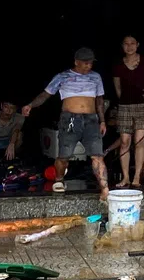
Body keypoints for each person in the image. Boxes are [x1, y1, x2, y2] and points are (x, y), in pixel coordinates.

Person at [22, 47, 109, 196]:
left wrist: (102, 121)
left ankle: (105, 189)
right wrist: (30, 105)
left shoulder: (96, 77)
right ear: (76, 62)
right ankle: (59, 179)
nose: (89, 66)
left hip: (91, 120)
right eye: (85, 63)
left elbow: (99, 101)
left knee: (97, 155)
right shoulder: (62, 76)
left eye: (90, 63)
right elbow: (45, 95)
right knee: (64, 156)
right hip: (69, 119)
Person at [111, 36, 144, 189]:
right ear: (122, 46)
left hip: (143, 105)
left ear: (138, 45)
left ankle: (136, 177)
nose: (129, 46)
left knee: (139, 141)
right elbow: (118, 88)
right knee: (125, 142)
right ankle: (125, 177)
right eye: (126, 44)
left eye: (132, 43)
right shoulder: (118, 65)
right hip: (125, 107)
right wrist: (124, 103)